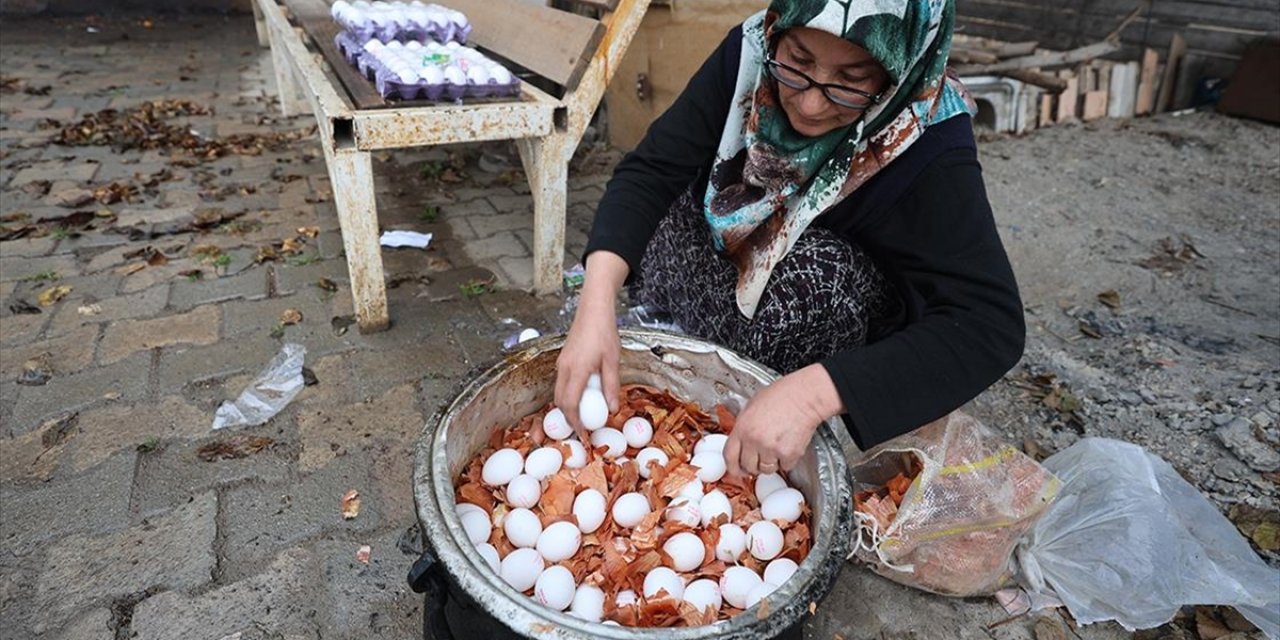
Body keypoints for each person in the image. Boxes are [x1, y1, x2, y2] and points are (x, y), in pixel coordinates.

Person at [554, 0, 1025, 478]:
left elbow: (989, 324)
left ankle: (772, 406)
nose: (809, 103)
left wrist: (814, 393)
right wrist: (596, 306)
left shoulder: (927, 138)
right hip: (715, 280)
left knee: (816, 281)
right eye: (798, 62)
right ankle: (687, 340)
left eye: (851, 80)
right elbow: (653, 169)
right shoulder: (752, 54)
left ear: (896, 74)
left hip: (802, 325)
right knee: (669, 208)